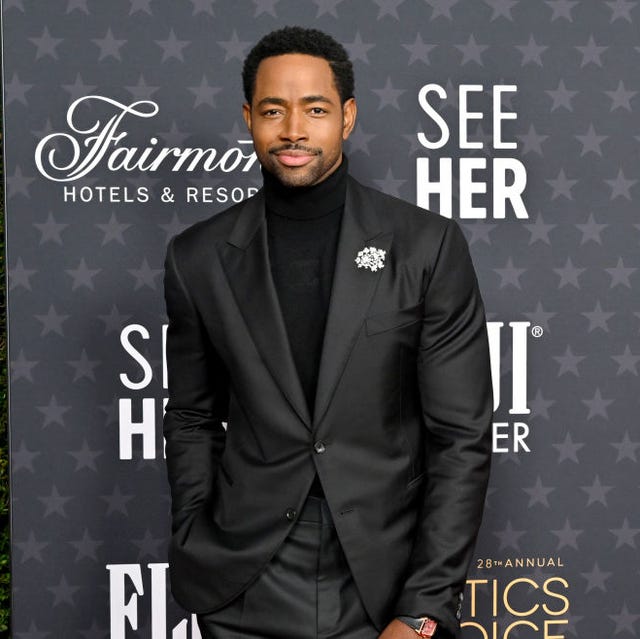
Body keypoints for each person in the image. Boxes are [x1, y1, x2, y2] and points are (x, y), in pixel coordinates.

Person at [163, 26, 493, 639]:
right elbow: (190, 417)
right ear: (248, 118)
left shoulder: (426, 245)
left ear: (347, 117)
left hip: (381, 580)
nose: (293, 129)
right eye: (272, 110)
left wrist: (421, 608)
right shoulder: (197, 257)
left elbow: (462, 437)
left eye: (314, 108)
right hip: (242, 583)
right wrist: (194, 531)